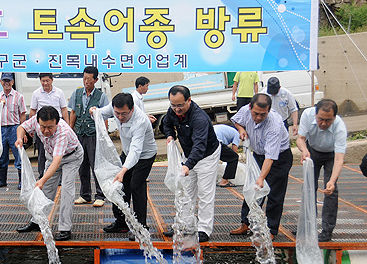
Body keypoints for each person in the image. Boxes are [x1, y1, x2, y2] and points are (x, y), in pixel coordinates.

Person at [161, 85, 221, 242]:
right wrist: (170, 135)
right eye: (173, 105)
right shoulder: (172, 111)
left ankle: (204, 229)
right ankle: (184, 226)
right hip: (188, 154)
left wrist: (188, 165)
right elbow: (166, 123)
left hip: (206, 155)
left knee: (205, 192)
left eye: (180, 105)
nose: (176, 109)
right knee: (185, 192)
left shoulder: (199, 118)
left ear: (189, 100)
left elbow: (200, 146)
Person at [94, 93, 157, 241]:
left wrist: (123, 170)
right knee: (120, 186)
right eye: (117, 113)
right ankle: (122, 222)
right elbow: (101, 113)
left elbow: (136, 151)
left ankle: (141, 227)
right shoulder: (116, 107)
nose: (120, 117)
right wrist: (94, 111)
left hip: (144, 155)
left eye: (124, 114)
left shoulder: (140, 121)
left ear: (132, 109)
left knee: (136, 185)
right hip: (127, 152)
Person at [230, 93, 293, 240]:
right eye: (255, 113)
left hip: (279, 159)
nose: (258, 118)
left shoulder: (274, 125)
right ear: (250, 107)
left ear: (269, 110)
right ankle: (245, 223)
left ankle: (271, 229)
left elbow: (270, 157)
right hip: (258, 155)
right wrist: (241, 129)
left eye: (262, 115)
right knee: (251, 190)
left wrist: (261, 178)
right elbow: (236, 121)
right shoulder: (245, 110)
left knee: (274, 194)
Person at [15, 105, 83, 241]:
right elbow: (21, 127)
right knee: (46, 190)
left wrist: (41, 180)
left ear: (57, 123)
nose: (46, 131)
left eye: (50, 127)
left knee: (66, 190)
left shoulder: (62, 132)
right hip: (51, 155)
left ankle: (65, 228)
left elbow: (57, 162)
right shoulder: (36, 120)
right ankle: (37, 221)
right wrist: (20, 138)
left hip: (71, 157)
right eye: (42, 127)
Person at [296, 99, 347, 242]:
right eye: (320, 119)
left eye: (328, 120)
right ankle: (308, 226)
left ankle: (327, 230)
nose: (323, 123)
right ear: (315, 114)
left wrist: (332, 180)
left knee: (331, 190)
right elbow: (300, 139)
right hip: (312, 151)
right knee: (308, 188)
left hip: (331, 155)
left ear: (335, 117)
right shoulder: (307, 114)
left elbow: (339, 159)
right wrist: (304, 150)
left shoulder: (340, 127)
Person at [68, 66, 109, 208]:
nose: (86, 81)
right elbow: (73, 113)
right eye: (84, 78)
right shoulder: (77, 93)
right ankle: (85, 195)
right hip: (79, 134)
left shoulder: (101, 96)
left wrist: (104, 136)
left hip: (93, 135)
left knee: (95, 165)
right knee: (82, 165)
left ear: (96, 80)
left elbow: (104, 117)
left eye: (89, 79)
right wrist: (70, 131)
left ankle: (100, 195)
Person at [29, 73, 69, 179]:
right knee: (42, 152)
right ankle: (42, 175)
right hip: (42, 128)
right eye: (43, 81)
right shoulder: (36, 93)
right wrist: (31, 128)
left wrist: (68, 125)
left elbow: (64, 109)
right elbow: (33, 110)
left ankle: (58, 176)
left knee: (58, 153)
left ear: (52, 80)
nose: (45, 83)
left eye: (47, 80)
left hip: (56, 127)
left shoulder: (59, 92)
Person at [0, 72, 26, 189]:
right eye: (4, 81)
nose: (6, 83)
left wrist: (22, 131)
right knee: (2, 156)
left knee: (18, 155)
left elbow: (22, 114)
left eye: (9, 81)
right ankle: (2, 180)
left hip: (14, 128)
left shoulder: (19, 96)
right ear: (1, 82)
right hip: (1, 129)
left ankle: (22, 181)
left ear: (13, 82)